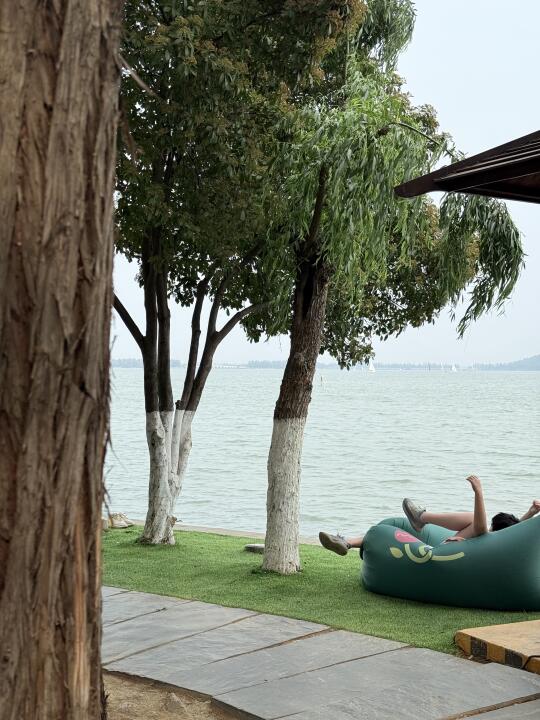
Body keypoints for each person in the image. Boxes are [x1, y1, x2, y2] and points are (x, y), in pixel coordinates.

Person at [319, 475, 540, 556]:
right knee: (386, 529)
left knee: (473, 520)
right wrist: (530, 513)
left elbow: (486, 528)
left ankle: (422, 517)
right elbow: (513, 533)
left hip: (444, 556)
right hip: (447, 549)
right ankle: (347, 542)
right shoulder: (500, 543)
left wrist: (478, 493)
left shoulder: (486, 537)